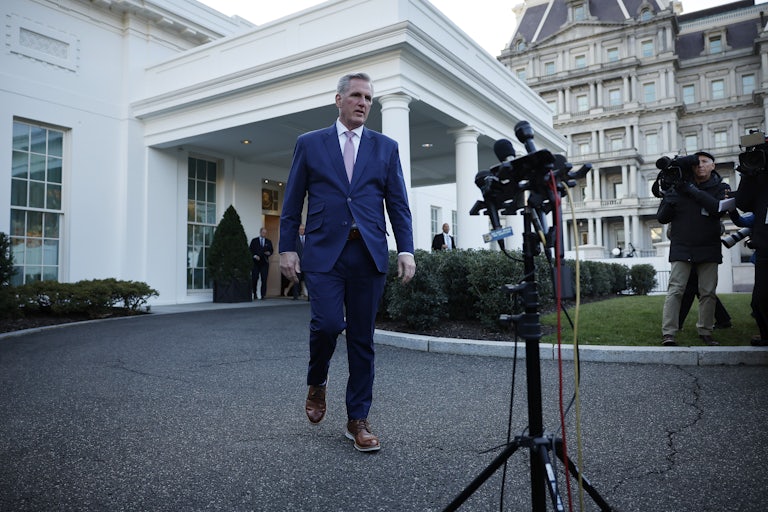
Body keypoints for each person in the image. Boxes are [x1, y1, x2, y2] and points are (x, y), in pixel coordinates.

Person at [279, 72, 416, 452]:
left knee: (362, 339)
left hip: (368, 253)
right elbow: (292, 200)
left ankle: (358, 419)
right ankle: (317, 381)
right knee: (326, 325)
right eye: (356, 95)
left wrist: (406, 249)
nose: (363, 103)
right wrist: (287, 247)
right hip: (324, 251)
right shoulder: (310, 143)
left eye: (368, 98)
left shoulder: (385, 147)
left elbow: (398, 204)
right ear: (338, 99)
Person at [657, 151, 730, 346]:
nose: (700, 165)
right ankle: (668, 333)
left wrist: (690, 189)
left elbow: (716, 208)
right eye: (697, 163)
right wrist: (670, 198)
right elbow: (662, 217)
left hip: (708, 246)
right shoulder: (678, 185)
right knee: (675, 290)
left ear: (713, 165)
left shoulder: (721, 187)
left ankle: (706, 331)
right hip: (682, 246)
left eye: (705, 161)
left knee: (708, 292)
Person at [735, 168, 768, 346]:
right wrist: (748, 174)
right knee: (759, 301)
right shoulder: (759, 179)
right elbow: (743, 204)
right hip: (764, 251)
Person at [249, 227, 273, 300]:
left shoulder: (268, 241)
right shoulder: (254, 241)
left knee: (264, 279)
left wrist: (269, 253)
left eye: (265, 233)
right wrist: (255, 256)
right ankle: (254, 293)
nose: (264, 234)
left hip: (264, 263)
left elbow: (271, 250)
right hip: (256, 263)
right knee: (254, 278)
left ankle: (263, 295)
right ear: (260, 232)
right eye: (263, 233)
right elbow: (250, 250)